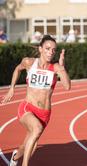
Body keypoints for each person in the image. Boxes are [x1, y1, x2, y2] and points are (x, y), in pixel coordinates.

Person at [1, 35, 71, 166]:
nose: (51, 52)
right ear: (40, 49)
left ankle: (15, 158)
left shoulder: (55, 67)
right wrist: (12, 88)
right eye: (47, 48)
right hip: (27, 107)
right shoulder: (29, 62)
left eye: (53, 50)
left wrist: (62, 67)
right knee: (37, 129)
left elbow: (67, 86)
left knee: (28, 146)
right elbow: (17, 69)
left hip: (44, 114)